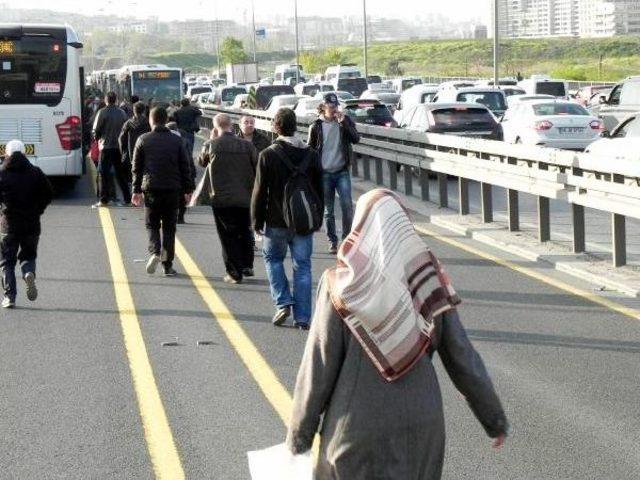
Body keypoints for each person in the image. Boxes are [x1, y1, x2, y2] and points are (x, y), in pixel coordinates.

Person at [286, 189, 508, 479]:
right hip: (422, 428)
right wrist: (494, 421)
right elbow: (463, 358)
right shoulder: (429, 282)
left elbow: (318, 366)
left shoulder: (339, 287)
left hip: (356, 432)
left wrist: (299, 437)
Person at [251, 108, 323, 330]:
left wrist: (256, 222)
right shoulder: (311, 155)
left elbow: (260, 192)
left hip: (276, 220)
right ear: (296, 126)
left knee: (273, 259)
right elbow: (319, 191)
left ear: (275, 127)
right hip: (304, 222)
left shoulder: (268, 155)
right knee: (303, 267)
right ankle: (303, 318)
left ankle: (282, 302)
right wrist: (317, 219)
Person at [131, 107, 194, 277]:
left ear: (151, 121)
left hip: (150, 189)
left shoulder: (142, 139)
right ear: (166, 120)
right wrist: (188, 189)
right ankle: (167, 265)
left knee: (151, 224)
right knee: (169, 227)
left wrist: (135, 190)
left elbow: (136, 168)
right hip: (172, 189)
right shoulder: (177, 140)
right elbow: (185, 166)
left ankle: (154, 253)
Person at [200, 114, 257, 284]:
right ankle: (247, 265)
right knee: (245, 230)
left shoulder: (211, 145)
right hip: (246, 196)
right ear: (232, 125)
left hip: (221, 198)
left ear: (215, 126)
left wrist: (210, 140)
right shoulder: (247, 146)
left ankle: (234, 272)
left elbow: (202, 162)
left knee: (228, 235)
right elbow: (257, 167)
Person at [0, 140, 53, 308]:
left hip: (9, 225)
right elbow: (48, 193)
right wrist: (38, 209)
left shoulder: (2, 173)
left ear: (6, 154)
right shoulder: (35, 172)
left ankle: (10, 297)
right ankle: (28, 272)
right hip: (31, 224)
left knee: (7, 262)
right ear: (24, 153)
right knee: (28, 255)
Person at [308, 92, 360, 254]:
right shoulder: (315, 126)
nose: (333, 109)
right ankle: (333, 241)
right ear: (323, 107)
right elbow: (310, 149)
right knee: (328, 211)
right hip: (324, 173)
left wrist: (344, 122)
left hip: (342, 171)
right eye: (330, 107)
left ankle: (346, 239)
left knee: (347, 206)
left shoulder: (344, 121)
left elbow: (356, 139)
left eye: (335, 106)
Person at [92, 91, 130, 208]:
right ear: (116, 100)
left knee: (104, 173)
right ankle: (127, 198)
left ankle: (104, 200)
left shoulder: (102, 112)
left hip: (105, 147)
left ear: (106, 100)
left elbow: (96, 130)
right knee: (120, 174)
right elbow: (126, 129)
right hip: (118, 147)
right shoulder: (122, 113)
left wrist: (97, 138)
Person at [166, 121, 197, 224]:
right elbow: (189, 159)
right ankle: (180, 217)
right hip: (183, 171)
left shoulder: (164, 140)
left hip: (170, 172)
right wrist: (192, 174)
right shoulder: (184, 141)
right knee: (182, 195)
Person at [119, 101, 151, 186]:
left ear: (134, 110)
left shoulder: (128, 123)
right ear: (144, 110)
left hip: (132, 151)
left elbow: (122, 138)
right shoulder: (148, 123)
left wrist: (123, 151)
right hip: (147, 151)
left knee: (135, 171)